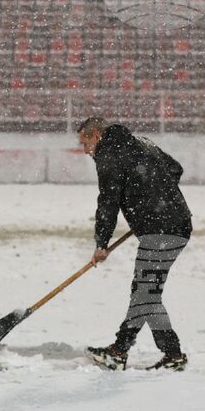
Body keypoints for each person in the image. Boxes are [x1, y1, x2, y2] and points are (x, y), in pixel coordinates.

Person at [77, 117, 193, 371]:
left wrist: (101, 244)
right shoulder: (142, 143)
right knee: (145, 292)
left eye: (85, 142)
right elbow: (175, 169)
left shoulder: (108, 155)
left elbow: (107, 202)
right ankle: (160, 354)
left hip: (161, 230)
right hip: (177, 224)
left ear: (96, 135)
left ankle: (125, 352)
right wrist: (153, 201)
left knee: (146, 293)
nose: (85, 150)